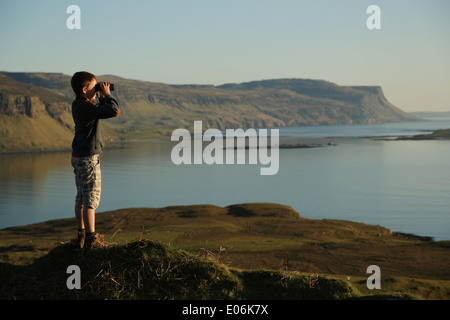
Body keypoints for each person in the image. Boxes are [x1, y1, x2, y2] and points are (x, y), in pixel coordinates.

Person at [70, 71, 120, 249]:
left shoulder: (79, 104)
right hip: (89, 159)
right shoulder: (86, 107)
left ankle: (81, 235)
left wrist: (98, 96)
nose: (98, 89)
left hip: (78, 157)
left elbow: (98, 110)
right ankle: (92, 238)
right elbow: (114, 111)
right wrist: (107, 95)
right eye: (94, 87)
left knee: (81, 197)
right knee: (91, 199)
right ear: (84, 89)